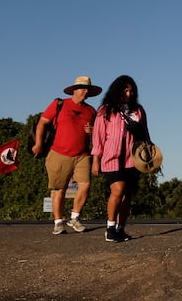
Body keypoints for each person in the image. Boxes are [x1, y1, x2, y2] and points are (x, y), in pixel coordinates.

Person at [32, 76, 101, 235]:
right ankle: (58, 223)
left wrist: (92, 131)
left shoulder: (91, 110)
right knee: (59, 190)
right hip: (59, 153)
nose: (85, 91)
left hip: (82, 155)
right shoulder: (60, 104)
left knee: (85, 185)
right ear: (74, 90)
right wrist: (38, 143)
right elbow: (42, 122)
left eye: (87, 89)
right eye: (82, 88)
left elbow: (99, 131)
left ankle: (74, 218)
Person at [92, 75, 150, 242]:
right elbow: (98, 137)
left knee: (128, 195)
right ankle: (110, 227)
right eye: (125, 90)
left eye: (131, 91)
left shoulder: (138, 110)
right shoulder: (105, 111)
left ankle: (121, 228)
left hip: (133, 158)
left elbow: (145, 132)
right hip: (112, 157)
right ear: (117, 90)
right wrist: (96, 160)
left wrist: (150, 154)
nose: (129, 94)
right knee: (117, 190)